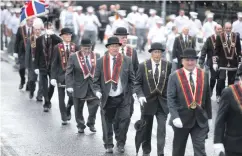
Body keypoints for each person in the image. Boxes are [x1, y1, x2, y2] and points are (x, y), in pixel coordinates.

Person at [93, 36, 135, 153]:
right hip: (107, 98)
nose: (115, 48)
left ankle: (121, 143)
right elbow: (95, 80)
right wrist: (97, 91)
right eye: (112, 46)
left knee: (125, 119)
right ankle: (108, 144)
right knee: (107, 122)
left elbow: (132, 79)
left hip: (123, 97)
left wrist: (133, 93)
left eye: (117, 46)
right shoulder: (101, 61)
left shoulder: (126, 60)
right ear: (108, 48)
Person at [167, 48, 212, 156]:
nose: (190, 62)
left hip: (200, 119)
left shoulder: (204, 75)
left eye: (192, 60)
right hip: (181, 120)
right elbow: (170, 98)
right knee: (178, 149)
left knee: (200, 149)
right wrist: (175, 116)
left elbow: (207, 98)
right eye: (187, 60)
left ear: (196, 61)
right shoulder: (174, 76)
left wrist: (209, 117)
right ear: (182, 61)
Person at [135, 42, 172, 156]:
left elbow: (172, 84)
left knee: (161, 130)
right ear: (151, 53)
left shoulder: (168, 65)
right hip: (147, 103)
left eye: (159, 52)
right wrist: (140, 95)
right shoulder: (143, 66)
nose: (157, 55)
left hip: (163, 104)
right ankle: (146, 151)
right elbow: (137, 83)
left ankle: (160, 153)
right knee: (147, 129)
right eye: (155, 52)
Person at [65, 38, 100, 133]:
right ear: (81, 48)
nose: (87, 51)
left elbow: (100, 72)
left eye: (89, 48)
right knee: (78, 109)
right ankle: (80, 125)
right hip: (78, 86)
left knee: (95, 106)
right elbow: (69, 72)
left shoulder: (96, 56)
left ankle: (91, 123)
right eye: (85, 49)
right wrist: (69, 85)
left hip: (93, 87)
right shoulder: (73, 56)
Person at [214, 65, 242, 156]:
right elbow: (220, 119)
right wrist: (218, 141)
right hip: (234, 146)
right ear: (240, 76)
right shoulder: (229, 92)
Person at [50, 28, 77, 124]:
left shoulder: (74, 46)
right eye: (66, 35)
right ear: (62, 36)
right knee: (61, 97)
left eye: (70, 35)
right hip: (60, 76)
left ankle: (68, 108)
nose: (68, 37)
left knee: (72, 97)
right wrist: (53, 77)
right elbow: (54, 63)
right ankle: (64, 117)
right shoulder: (57, 47)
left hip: (72, 77)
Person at [34, 22, 62, 112]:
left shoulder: (55, 39)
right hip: (42, 66)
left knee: (52, 85)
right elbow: (36, 54)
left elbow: (61, 42)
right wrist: (36, 66)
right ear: (44, 30)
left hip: (53, 67)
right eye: (48, 29)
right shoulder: (39, 39)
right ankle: (46, 102)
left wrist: (53, 35)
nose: (49, 30)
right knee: (44, 85)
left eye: (51, 29)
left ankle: (48, 99)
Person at [213, 22, 241, 103]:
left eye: (230, 28)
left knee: (231, 81)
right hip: (222, 62)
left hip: (233, 62)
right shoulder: (219, 36)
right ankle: (219, 95)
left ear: (231, 28)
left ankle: (229, 97)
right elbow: (216, 50)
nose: (228, 29)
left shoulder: (236, 36)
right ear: (224, 28)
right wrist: (215, 62)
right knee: (221, 79)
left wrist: (239, 62)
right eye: (227, 28)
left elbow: (239, 50)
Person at [199, 24, 222, 98]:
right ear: (215, 29)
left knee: (221, 79)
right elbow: (204, 50)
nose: (220, 31)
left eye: (221, 29)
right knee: (213, 78)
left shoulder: (224, 38)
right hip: (212, 61)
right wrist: (201, 60)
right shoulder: (210, 39)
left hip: (222, 62)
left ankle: (218, 94)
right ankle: (211, 90)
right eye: (218, 29)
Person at [26, 18, 44, 99]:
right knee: (32, 80)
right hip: (32, 63)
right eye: (36, 29)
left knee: (42, 81)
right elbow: (28, 53)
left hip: (41, 63)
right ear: (33, 30)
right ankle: (32, 91)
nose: (37, 31)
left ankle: (40, 95)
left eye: (39, 29)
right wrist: (27, 65)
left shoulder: (44, 39)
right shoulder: (31, 39)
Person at [14, 18, 34, 90]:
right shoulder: (20, 29)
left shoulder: (35, 29)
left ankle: (29, 83)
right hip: (22, 51)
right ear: (27, 21)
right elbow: (17, 41)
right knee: (21, 68)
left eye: (32, 21)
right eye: (31, 21)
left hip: (31, 52)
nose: (32, 22)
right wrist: (15, 52)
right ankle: (22, 80)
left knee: (30, 69)